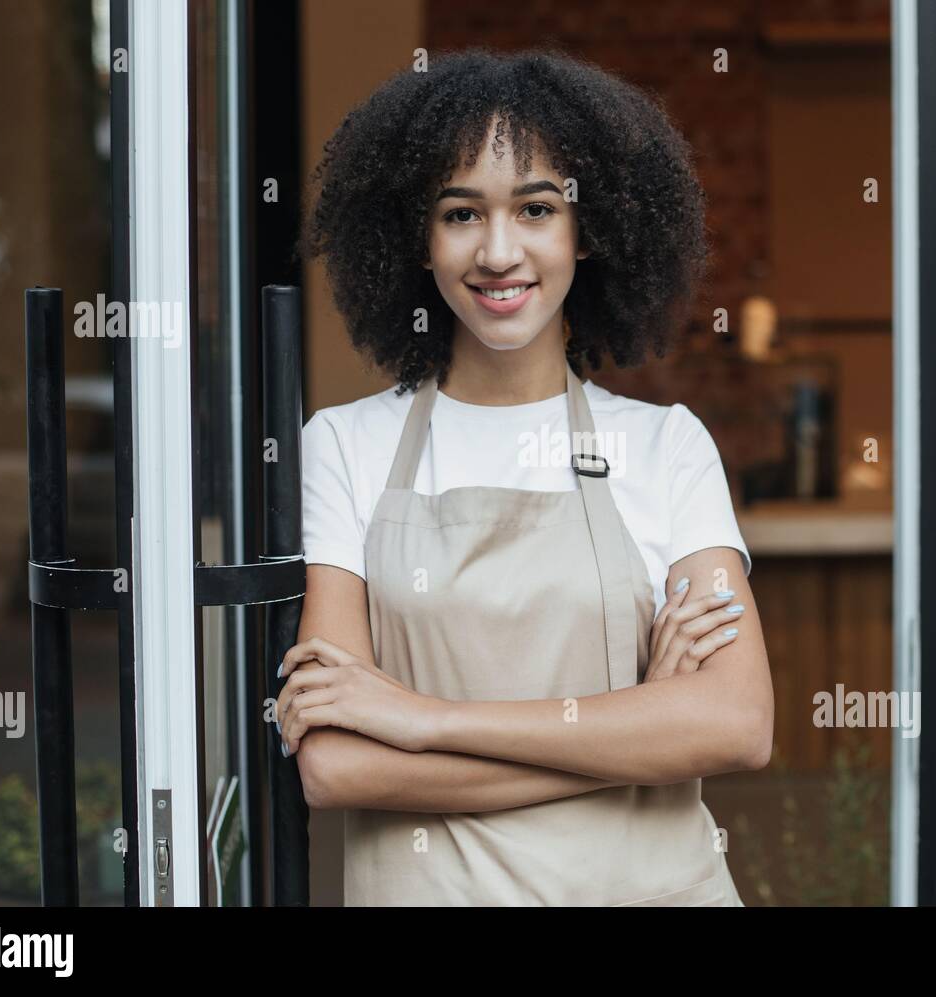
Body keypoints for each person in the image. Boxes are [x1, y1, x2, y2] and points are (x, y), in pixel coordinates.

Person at [276, 47, 774, 906]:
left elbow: (736, 723)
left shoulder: (666, 448)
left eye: (537, 208)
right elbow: (335, 764)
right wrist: (633, 731)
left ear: (591, 230)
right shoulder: (344, 446)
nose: (499, 252)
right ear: (416, 239)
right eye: (461, 213)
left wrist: (425, 720)